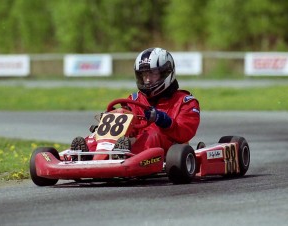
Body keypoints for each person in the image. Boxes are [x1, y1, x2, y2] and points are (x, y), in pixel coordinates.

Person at [71, 47, 200, 156]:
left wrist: (163, 120)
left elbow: (184, 134)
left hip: (169, 149)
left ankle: (122, 155)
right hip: (133, 144)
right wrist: (112, 119)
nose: (147, 80)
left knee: (153, 134)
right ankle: (86, 153)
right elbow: (129, 128)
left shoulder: (185, 101)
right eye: (144, 75)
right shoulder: (134, 100)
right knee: (101, 134)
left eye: (152, 74)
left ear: (166, 73)